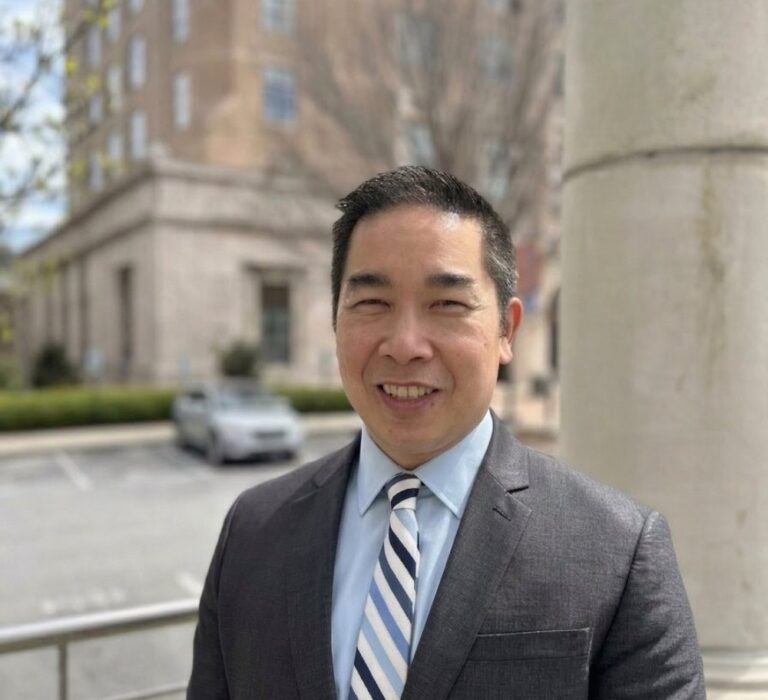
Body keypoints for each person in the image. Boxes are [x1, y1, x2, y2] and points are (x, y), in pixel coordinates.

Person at [188, 166, 705, 699]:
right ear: (336, 322)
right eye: (372, 303)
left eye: (447, 304)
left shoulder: (617, 552)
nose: (406, 344)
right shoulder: (252, 533)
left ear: (507, 331)